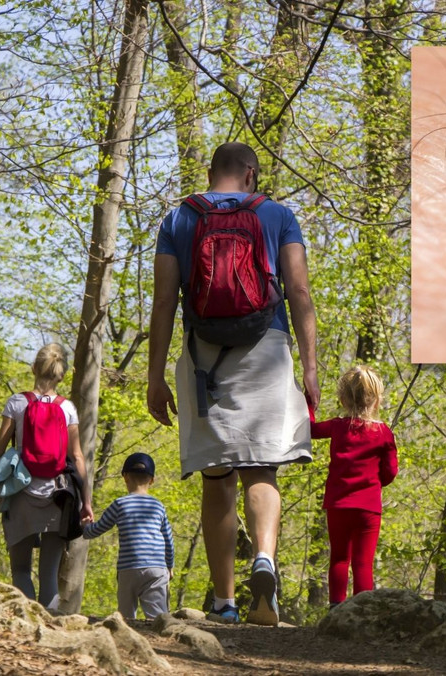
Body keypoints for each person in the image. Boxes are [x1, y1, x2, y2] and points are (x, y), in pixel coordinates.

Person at [146, 141, 319, 626]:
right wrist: (309, 368)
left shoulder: (180, 218)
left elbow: (164, 301)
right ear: (250, 173)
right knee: (262, 470)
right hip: (266, 347)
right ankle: (264, 558)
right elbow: (299, 290)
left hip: (206, 358)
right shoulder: (277, 215)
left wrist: (156, 375)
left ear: (210, 172)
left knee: (217, 478)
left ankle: (224, 603)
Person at [0, 343, 92, 610]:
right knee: (49, 575)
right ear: (62, 375)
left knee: (21, 570)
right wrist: (86, 502)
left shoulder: (17, 403)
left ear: (34, 368)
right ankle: (50, 630)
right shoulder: (68, 408)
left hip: (20, 494)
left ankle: (27, 627)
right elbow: (78, 457)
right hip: (59, 498)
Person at [308, 366, 398, 607]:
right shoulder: (384, 433)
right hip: (368, 508)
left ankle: (336, 606)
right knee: (363, 563)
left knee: (339, 558)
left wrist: (309, 403)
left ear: (343, 399)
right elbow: (390, 473)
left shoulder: (337, 427)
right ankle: (362, 610)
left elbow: (310, 430)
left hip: (338, 504)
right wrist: (376, 482)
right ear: (377, 399)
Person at [81, 452, 175, 620]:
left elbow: (96, 530)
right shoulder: (158, 506)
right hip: (157, 568)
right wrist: (170, 565)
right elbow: (168, 539)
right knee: (159, 618)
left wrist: (86, 526)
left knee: (126, 617)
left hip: (128, 567)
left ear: (125, 477)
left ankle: (126, 640)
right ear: (152, 480)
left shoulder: (120, 504)